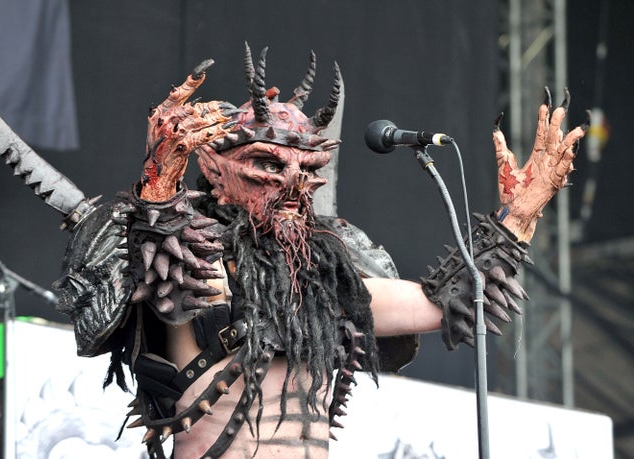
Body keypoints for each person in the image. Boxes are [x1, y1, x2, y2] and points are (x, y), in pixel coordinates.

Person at [53, 45, 586, 459]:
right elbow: (164, 266)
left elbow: (443, 302)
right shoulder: (198, 263)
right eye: (267, 165)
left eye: (306, 172)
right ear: (215, 169)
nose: (291, 185)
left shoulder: (330, 285)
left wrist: (519, 217)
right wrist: (160, 177)